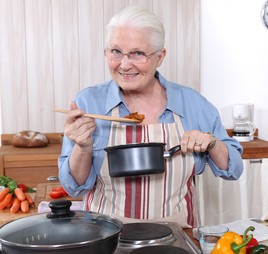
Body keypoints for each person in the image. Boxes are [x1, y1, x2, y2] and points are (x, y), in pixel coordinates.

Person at [58, 5, 243, 228]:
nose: (124, 65)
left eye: (137, 53)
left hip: (178, 238)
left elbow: (234, 170)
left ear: (160, 56)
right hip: (104, 236)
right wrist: (83, 147)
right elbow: (74, 187)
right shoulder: (89, 102)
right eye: (115, 51)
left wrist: (212, 143)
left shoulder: (192, 103)